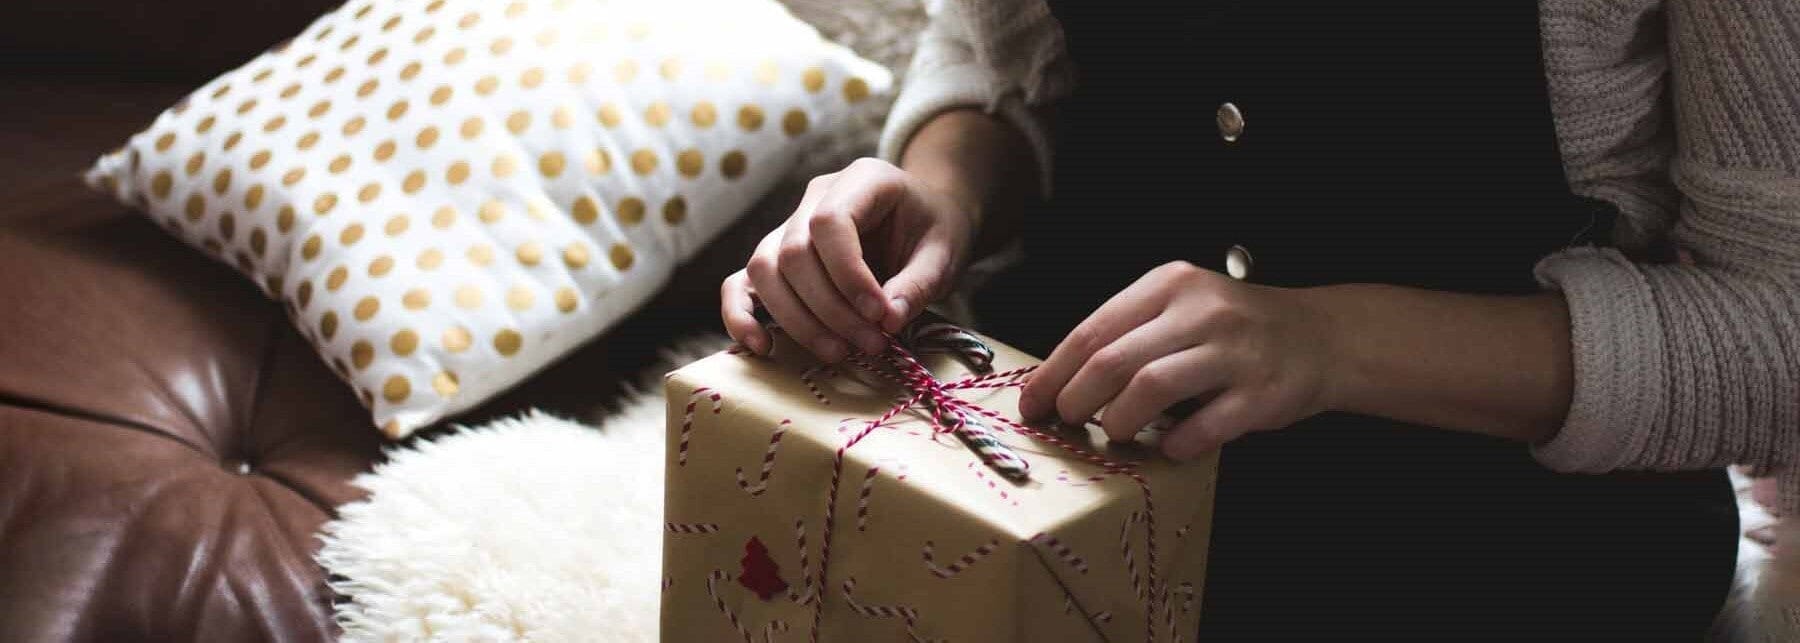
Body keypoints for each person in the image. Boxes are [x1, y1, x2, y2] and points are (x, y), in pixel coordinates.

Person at [720, 0, 1797, 637]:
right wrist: (943, 187)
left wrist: (1329, 342)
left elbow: (1778, 335)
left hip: (1499, 556)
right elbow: (990, 40)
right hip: (1035, 504)